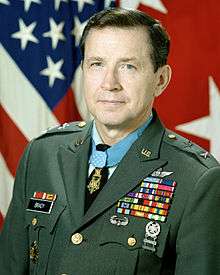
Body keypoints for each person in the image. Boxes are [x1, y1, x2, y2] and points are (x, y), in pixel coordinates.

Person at [0, 7, 220, 275]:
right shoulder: (42, 154)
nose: (109, 83)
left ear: (160, 80)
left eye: (128, 66)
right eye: (97, 64)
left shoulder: (197, 178)